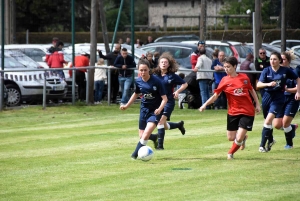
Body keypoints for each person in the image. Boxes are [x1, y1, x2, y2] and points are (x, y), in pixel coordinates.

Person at [199, 56, 261, 160]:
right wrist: (205, 104)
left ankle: (230, 153)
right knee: (231, 138)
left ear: (235, 66)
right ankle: (243, 138)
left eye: (228, 67)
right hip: (233, 111)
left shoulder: (244, 78)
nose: (226, 69)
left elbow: (252, 90)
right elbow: (215, 96)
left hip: (247, 111)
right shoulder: (224, 80)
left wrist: (257, 104)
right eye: (225, 67)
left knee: (239, 137)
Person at [120, 59, 167, 159]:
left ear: (149, 70)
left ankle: (134, 155)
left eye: (145, 70)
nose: (143, 72)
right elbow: (136, 94)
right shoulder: (138, 81)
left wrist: (159, 109)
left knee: (145, 135)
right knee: (142, 136)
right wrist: (126, 105)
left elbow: (164, 99)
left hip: (155, 112)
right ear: (138, 70)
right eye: (141, 70)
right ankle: (154, 137)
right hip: (144, 110)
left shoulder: (157, 82)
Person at [257, 52, 300, 153]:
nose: (272, 61)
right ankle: (271, 140)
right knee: (276, 124)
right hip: (269, 98)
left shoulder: (288, 71)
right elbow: (258, 84)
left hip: (286, 99)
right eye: (271, 59)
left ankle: (287, 144)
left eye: (275, 59)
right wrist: (268, 84)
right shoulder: (266, 70)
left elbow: (298, 80)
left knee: (281, 122)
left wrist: (297, 91)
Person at [152, 52, 188, 150]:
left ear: (169, 65)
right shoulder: (155, 75)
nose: (163, 64)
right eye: (162, 62)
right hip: (158, 103)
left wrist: (177, 91)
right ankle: (179, 125)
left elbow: (185, 84)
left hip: (168, 102)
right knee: (164, 125)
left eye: (166, 62)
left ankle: (160, 146)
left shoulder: (172, 76)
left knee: (160, 122)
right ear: (159, 64)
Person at [272, 51, 299, 149]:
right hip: (280, 99)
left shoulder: (294, 72)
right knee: (276, 125)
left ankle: (289, 144)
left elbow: (297, 88)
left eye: (283, 59)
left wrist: (287, 89)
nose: (281, 61)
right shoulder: (277, 72)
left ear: (288, 61)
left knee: (285, 123)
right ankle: (292, 127)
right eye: (280, 59)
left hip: (291, 99)